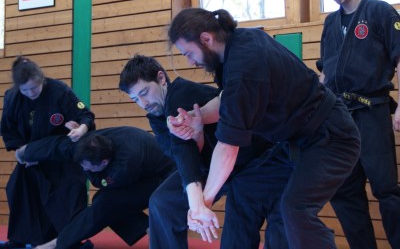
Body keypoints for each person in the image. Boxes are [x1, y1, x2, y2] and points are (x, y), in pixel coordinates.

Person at [167, 7, 361, 249]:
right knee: (245, 188)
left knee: (295, 209)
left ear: (206, 39)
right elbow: (228, 99)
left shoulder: (245, 63)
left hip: (331, 138)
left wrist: (203, 203)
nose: (190, 61)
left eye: (188, 53)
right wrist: (197, 118)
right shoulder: (239, 44)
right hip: (295, 142)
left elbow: (228, 147)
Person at [118, 54, 291, 249]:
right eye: (135, 99)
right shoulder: (157, 117)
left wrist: (197, 206)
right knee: (162, 201)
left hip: (253, 159)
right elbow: (181, 156)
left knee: (269, 225)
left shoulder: (181, 94)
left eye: (145, 92)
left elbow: (184, 152)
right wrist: (198, 142)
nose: (143, 103)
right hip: (212, 165)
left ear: (161, 78)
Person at [317, 0, 400, 249]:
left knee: (386, 189)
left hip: (371, 110)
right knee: (344, 191)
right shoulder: (331, 23)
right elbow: (325, 73)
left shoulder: (379, 11)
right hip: (338, 116)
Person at [17, 126, 176, 249]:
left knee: (104, 203)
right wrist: (26, 153)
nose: (85, 170)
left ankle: (58, 243)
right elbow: (57, 146)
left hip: (165, 179)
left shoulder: (125, 165)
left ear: (105, 162)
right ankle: (149, 228)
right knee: (104, 201)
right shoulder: (87, 142)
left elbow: (100, 183)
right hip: (145, 167)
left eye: (89, 168)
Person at [0, 56, 95, 249]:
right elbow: (8, 129)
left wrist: (80, 129)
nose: (30, 93)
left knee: (70, 190)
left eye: (34, 88)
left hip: (59, 155)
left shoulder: (59, 91)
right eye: (25, 90)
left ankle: (70, 240)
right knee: (18, 188)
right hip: (30, 157)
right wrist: (22, 151)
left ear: (41, 79)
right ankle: (21, 239)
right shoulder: (12, 97)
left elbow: (85, 115)